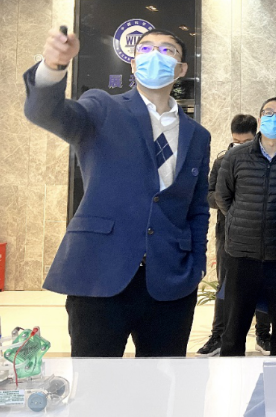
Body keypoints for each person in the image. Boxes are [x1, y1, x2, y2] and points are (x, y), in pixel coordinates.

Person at [24, 28, 210, 357]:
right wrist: (53, 67)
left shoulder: (197, 135)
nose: (155, 55)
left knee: (164, 382)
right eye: (146, 49)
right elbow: (46, 112)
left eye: (167, 50)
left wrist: (196, 266)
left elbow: (196, 207)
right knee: (94, 382)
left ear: (181, 69)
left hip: (170, 280)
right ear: (133, 64)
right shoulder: (102, 107)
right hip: (100, 273)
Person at [215, 98, 276, 356]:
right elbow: (223, 197)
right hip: (240, 255)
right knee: (233, 331)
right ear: (260, 119)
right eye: (269, 112)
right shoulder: (235, 156)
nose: (274, 117)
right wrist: (241, 219)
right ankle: (232, 379)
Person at [196, 114, 273, 356]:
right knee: (226, 285)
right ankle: (218, 336)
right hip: (228, 234)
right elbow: (208, 195)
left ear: (256, 136)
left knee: (263, 283)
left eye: (245, 142)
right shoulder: (222, 162)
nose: (240, 146)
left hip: (261, 234)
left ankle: (263, 336)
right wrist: (233, 203)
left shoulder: (267, 161)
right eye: (236, 142)